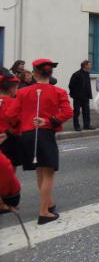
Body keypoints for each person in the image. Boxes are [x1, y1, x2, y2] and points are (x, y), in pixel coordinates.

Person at [2, 58, 72, 224]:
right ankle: (44, 212)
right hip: (45, 134)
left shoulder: (22, 92)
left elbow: (10, 115)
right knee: (48, 173)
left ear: (34, 73)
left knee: (41, 171)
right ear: (51, 73)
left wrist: (22, 122)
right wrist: (50, 121)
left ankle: (48, 203)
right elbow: (68, 112)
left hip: (26, 135)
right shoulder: (59, 92)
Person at [0, 69, 21, 168]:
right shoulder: (14, 103)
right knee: (10, 171)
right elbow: (19, 123)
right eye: (16, 88)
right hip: (10, 140)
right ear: (11, 89)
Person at [68, 60, 93, 131]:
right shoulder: (76, 74)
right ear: (85, 65)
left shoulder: (87, 74)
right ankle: (76, 126)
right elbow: (71, 85)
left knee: (86, 112)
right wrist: (74, 94)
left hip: (86, 96)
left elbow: (87, 86)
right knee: (76, 112)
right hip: (78, 97)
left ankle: (87, 125)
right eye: (89, 65)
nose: (91, 66)